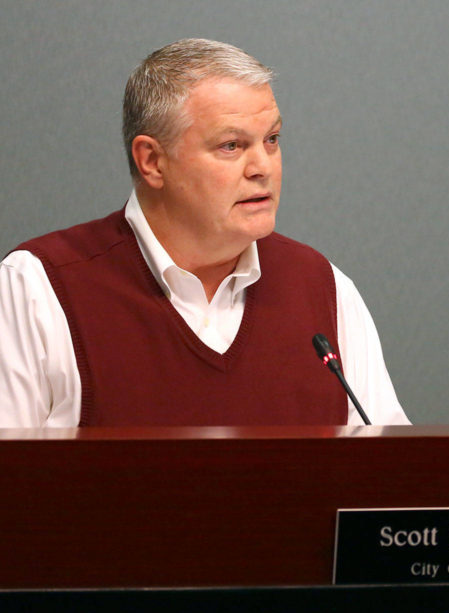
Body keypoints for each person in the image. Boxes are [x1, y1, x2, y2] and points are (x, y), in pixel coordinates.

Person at [0, 39, 409, 427]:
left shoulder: (324, 289)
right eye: (231, 145)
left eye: (271, 140)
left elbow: (392, 482)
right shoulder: (37, 289)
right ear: (153, 161)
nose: (262, 167)